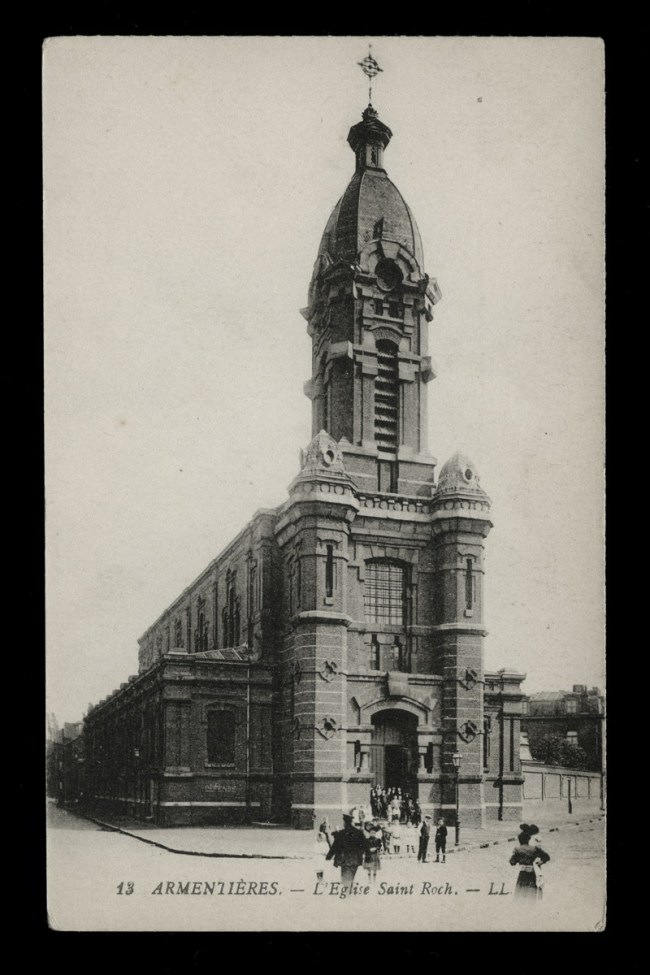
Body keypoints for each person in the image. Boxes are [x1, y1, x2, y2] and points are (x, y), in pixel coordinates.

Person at [325, 813, 370, 886]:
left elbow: (335, 846)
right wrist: (366, 856)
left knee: (345, 880)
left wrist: (329, 856)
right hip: (355, 859)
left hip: (344, 860)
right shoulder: (358, 832)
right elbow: (365, 845)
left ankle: (347, 890)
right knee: (351, 878)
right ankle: (349, 889)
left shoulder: (341, 833)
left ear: (345, 822)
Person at [509, 824, 550, 902]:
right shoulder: (534, 849)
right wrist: (540, 863)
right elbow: (546, 857)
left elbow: (512, 862)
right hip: (532, 874)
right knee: (531, 895)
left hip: (522, 874)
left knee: (520, 894)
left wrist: (518, 859)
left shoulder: (518, 849)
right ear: (528, 839)